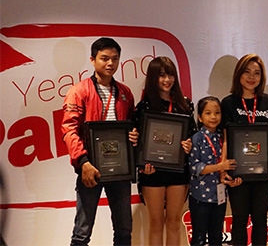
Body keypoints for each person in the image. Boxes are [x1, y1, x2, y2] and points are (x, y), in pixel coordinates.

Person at [61, 37, 139, 246]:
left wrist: (133, 135)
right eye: (104, 58)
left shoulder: (125, 92)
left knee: (124, 230)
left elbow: (131, 125)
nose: (110, 63)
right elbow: (69, 130)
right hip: (90, 167)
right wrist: (83, 162)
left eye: (115, 59)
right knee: (82, 233)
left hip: (120, 169)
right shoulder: (79, 91)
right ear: (92, 60)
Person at [132, 56, 197, 245]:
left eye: (170, 75)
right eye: (161, 75)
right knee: (156, 222)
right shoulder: (143, 107)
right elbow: (136, 142)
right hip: (152, 171)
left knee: (175, 222)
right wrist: (142, 165)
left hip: (178, 170)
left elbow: (192, 135)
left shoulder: (185, 104)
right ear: (153, 78)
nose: (167, 80)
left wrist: (189, 145)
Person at [220, 54, 268, 246]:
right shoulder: (228, 103)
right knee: (238, 218)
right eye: (247, 71)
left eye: (257, 73)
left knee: (260, 218)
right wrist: (223, 167)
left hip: (263, 172)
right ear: (239, 73)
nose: (251, 77)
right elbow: (226, 138)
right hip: (238, 169)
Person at [188, 96, 237, 246]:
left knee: (216, 236)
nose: (214, 117)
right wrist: (220, 167)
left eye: (217, 112)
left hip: (219, 196)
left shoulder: (223, 137)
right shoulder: (196, 139)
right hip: (200, 197)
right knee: (199, 237)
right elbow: (195, 168)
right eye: (208, 113)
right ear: (200, 117)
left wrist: (233, 177)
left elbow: (230, 165)